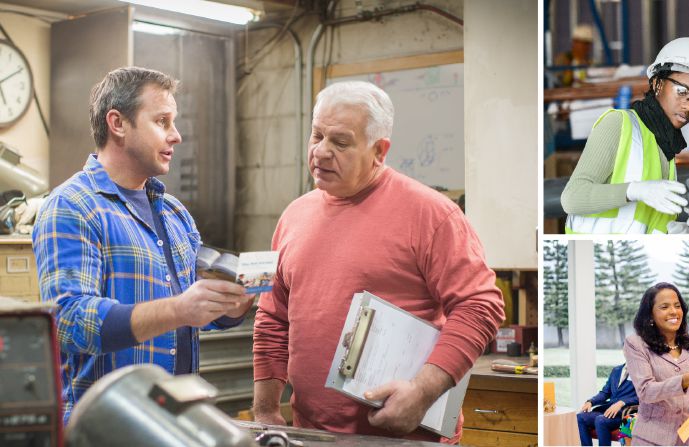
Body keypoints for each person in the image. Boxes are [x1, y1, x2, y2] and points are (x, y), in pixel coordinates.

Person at [251, 81, 505, 443]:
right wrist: (265, 410)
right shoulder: (294, 216)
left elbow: (481, 305)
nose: (321, 152)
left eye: (340, 143)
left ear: (379, 151)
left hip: (402, 438)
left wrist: (423, 391)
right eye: (317, 135)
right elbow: (272, 318)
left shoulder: (431, 214)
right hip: (311, 434)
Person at [32, 67, 254, 424]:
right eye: (162, 121)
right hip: (104, 429)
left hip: (174, 422)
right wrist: (178, 309)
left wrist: (232, 305)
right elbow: (70, 321)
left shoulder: (174, 213)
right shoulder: (73, 206)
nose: (176, 135)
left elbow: (194, 313)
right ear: (118, 123)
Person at [561, 37, 689, 234]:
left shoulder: (666, 148)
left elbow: (640, 226)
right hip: (590, 253)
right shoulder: (618, 125)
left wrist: (681, 232)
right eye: (682, 92)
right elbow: (572, 198)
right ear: (657, 83)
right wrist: (635, 190)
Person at [623, 283, 689, 445]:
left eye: (677, 306)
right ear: (650, 314)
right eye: (664, 307)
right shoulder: (636, 344)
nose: (674, 311)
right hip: (653, 439)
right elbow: (645, 391)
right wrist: (684, 381)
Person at [576, 362, 638, 446]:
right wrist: (591, 401)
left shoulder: (641, 371)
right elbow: (605, 393)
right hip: (608, 411)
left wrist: (622, 402)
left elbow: (642, 396)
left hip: (624, 414)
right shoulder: (616, 370)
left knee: (600, 420)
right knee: (580, 417)